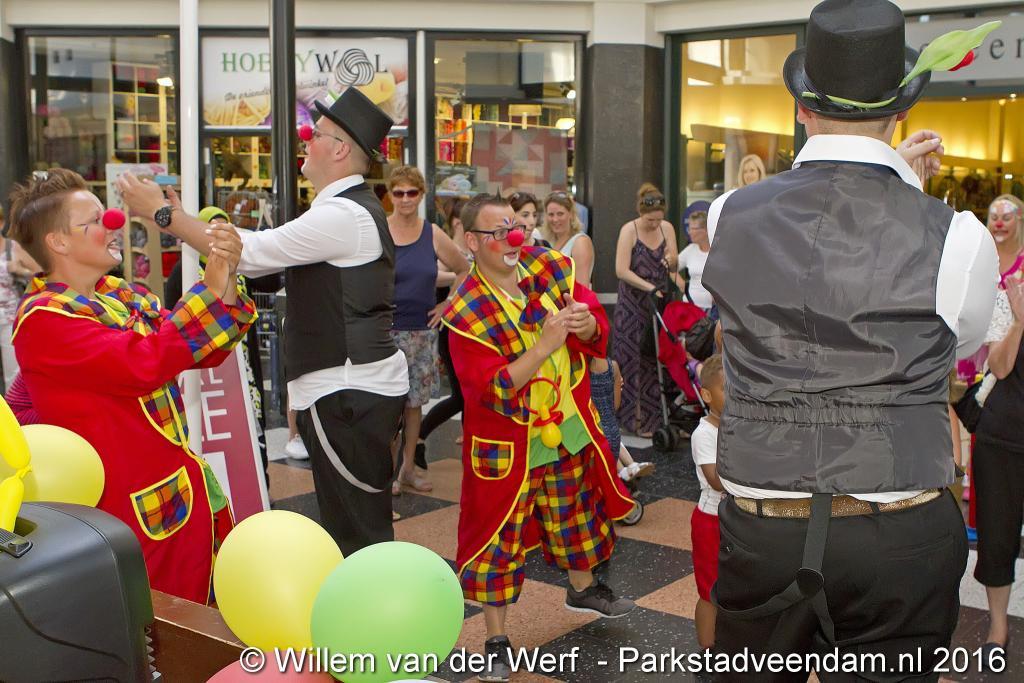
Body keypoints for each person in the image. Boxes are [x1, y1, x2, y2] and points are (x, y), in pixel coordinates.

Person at [701, 1, 999, 676]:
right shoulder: (957, 235)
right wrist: (905, 187)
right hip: (899, 526)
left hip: (763, 524)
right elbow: (961, 343)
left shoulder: (727, 213)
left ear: (802, 108)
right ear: (902, 112)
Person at [119, 88, 409, 557]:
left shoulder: (345, 215)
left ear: (340, 150)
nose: (305, 140)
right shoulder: (342, 210)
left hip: (348, 392)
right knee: (353, 523)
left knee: (358, 532)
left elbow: (249, 253)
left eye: (315, 134)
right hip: (349, 389)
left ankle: (373, 604)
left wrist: (164, 215)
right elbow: (257, 252)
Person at [8, 168, 255, 603]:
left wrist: (226, 279)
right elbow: (145, 362)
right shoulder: (43, 320)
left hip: (177, 493)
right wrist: (210, 289)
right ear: (58, 242)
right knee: (158, 623)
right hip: (126, 514)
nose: (113, 224)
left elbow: (200, 350)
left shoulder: (118, 294)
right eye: (95, 221)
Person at [443, 193, 636, 683]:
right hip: (510, 444)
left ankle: (582, 589)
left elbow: (593, 320)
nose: (513, 238)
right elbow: (493, 389)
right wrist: (546, 344)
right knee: (498, 540)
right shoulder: (465, 312)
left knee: (575, 511)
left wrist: (587, 325)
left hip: (564, 424)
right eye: (497, 232)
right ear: (471, 242)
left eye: (514, 225)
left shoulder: (549, 266)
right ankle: (495, 638)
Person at [386, 165, 469, 495]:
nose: (405, 199)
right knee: (387, 407)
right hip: (384, 333)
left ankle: (408, 469)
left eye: (412, 192)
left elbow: (463, 269)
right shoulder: (379, 231)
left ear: (421, 195)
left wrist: (448, 304)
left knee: (413, 405)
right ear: (390, 195)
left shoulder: (431, 233)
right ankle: (387, 475)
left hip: (421, 332)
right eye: (399, 192)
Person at [972, 193, 1024, 661]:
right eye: (995, 215)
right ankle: (998, 626)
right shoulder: (991, 282)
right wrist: (1019, 321)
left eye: (1009, 215)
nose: (1001, 221)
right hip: (1002, 428)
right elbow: (1000, 366)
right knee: (998, 532)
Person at [613, 183, 679, 437]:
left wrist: (672, 261)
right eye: (650, 220)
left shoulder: (667, 228)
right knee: (630, 359)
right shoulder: (628, 230)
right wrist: (648, 286)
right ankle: (632, 418)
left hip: (658, 302)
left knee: (654, 359)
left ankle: (655, 419)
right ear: (641, 213)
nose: (654, 224)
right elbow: (621, 270)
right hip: (632, 304)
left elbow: (674, 264)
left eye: (658, 219)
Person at [419, 197, 471, 458]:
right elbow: (435, 275)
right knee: (461, 396)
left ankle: (470, 439)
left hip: (471, 330)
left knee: (470, 394)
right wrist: (464, 275)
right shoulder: (450, 249)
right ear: (459, 223)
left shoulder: (476, 248)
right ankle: (418, 436)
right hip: (450, 330)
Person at [690, 354, 725, 650]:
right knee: (710, 589)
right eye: (727, 389)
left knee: (731, 585)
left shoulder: (734, 428)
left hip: (734, 518)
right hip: (710, 519)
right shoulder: (704, 434)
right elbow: (716, 479)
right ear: (707, 395)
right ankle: (708, 649)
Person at [541, 191, 593, 280]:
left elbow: (582, 285)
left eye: (560, 214)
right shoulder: (548, 240)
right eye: (551, 214)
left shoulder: (580, 242)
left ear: (571, 214)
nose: (555, 219)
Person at [676, 201, 714, 316]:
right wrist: (681, 284)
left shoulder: (717, 251)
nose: (690, 232)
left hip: (713, 310)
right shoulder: (690, 249)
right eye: (689, 228)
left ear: (706, 230)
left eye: (693, 229)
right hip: (690, 307)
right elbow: (672, 268)